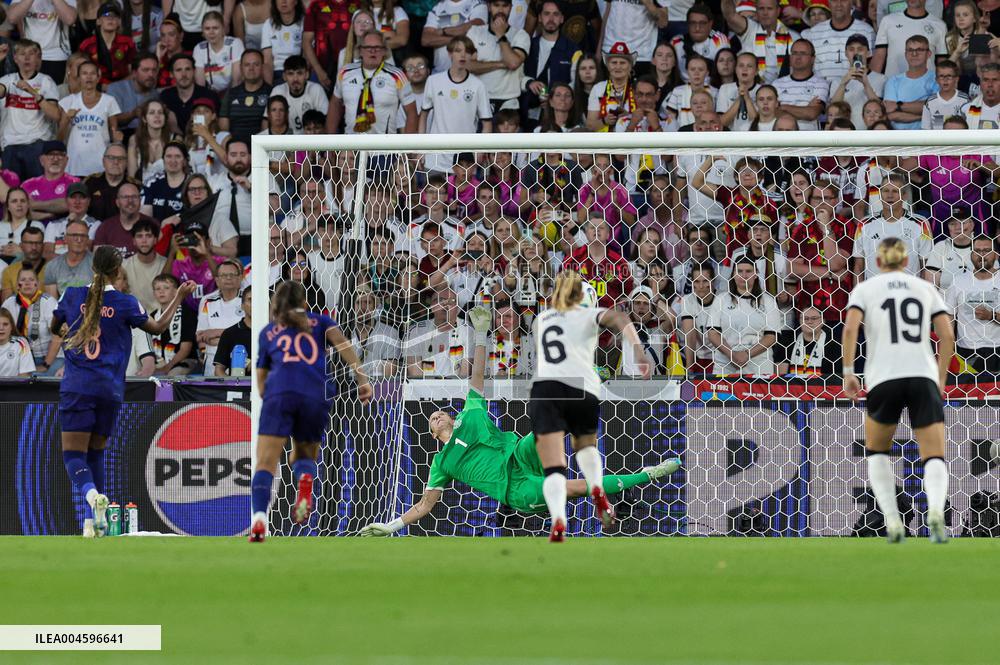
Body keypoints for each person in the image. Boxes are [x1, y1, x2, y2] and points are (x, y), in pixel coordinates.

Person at [359, 303, 678, 537]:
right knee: (574, 487)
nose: (437, 414)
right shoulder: (442, 462)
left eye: (440, 412)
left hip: (517, 454)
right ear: (432, 434)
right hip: (517, 488)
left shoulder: (470, 415)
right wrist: (390, 526)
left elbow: (478, 376)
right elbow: (424, 506)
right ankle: (645, 476)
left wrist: (482, 334)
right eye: (432, 417)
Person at [54, 245, 194, 537]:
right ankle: (95, 523)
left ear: (93, 267)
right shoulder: (126, 302)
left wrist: (68, 333)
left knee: (73, 456)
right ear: (119, 270)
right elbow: (157, 328)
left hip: (78, 387)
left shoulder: (72, 295)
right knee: (96, 454)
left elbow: (57, 326)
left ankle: (92, 497)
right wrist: (179, 297)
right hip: (109, 390)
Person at [841, 237, 954, 544]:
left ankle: (892, 520)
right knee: (934, 456)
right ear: (907, 262)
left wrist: (849, 373)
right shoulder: (925, 288)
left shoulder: (865, 289)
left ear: (877, 262)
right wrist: (940, 378)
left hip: (883, 378)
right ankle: (935, 513)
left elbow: (850, 328)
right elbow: (946, 335)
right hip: (921, 376)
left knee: (877, 452)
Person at [529, 271, 651, 541]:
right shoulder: (588, 315)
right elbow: (620, 317)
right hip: (581, 387)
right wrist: (639, 351)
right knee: (585, 446)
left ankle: (558, 520)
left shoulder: (542, 320)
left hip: (545, 388)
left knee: (553, 468)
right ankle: (597, 488)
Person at [250, 280, 372, 542]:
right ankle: (305, 477)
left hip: (280, 394)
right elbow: (344, 346)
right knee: (304, 456)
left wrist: (270, 399)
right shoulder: (321, 322)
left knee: (266, 463)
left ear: (276, 305)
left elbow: (260, 377)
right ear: (305, 303)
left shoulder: (268, 332)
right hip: (315, 396)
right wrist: (363, 380)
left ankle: (259, 520)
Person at [419, 37, 493, 173]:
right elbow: (423, 116)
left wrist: (479, 152)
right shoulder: (433, 81)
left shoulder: (478, 86)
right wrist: (421, 149)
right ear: (449, 53)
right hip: (435, 158)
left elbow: (487, 124)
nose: (463, 55)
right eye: (458, 51)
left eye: (467, 51)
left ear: (472, 55)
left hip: (465, 162)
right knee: (432, 194)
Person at [328, 31, 416, 135]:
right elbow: (335, 105)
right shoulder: (345, 72)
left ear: (384, 51)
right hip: (351, 145)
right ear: (360, 50)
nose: (372, 51)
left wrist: (409, 148)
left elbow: (412, 113)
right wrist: (330, 144)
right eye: (367, 47)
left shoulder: (397, 75)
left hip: (384, 146)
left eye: (377, 47)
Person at [706, 256, 783, 375]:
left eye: (748, 271)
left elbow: (771, 337)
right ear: (733, 274)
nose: (744, 275)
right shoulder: (721, 299)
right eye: (740, 271)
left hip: (759, 364)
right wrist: (732, 355)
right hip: (726, 363)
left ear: (756, 274)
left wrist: (746, 354)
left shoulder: (768, 301)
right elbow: (712, 333)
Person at [852, 171, 932, 281]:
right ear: (880, 194)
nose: (890, 195)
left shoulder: (920, 223)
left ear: (904, 195)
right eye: (886, 191)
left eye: (895, 191)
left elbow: (926, 265)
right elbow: (858, 266)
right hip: (875, 293)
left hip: (908, 293)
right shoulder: (864, 224)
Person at [0, 40, 62, 181]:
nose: (27, 58)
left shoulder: (47, 81)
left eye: (31, 54)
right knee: (10, 197)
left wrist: (33, 93)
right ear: (15, 59)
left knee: (36, 194)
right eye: (22, 54)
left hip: (37, 146)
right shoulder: (7, 80)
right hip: (10, 146)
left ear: (38, 57)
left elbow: (56, 115)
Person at [57, 60, 122, 178]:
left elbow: (114, 136)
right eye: (84, 73)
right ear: (79, 77)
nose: (89, 77)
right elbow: (59, 139)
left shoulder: (109, 101)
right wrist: (66, 119)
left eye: (92, 73)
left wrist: (118, 138)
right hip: (75, 164)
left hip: (100, 164)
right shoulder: (68, 101)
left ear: (98, 77)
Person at [945, 235, 1000, 372]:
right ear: (971, 255)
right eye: (977, 251)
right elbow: (949, 316)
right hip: (966, 351)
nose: (981, 255)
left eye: (986, 250)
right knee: (970, 392)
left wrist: (991, 315)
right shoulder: (959, 281)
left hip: (997, 348)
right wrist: (948, 347)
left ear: (996, 255)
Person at [1, 267, 59, 373]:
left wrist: (45, 365)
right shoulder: (9, 303)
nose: (27, 283)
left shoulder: (49, 302)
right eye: (23, 280)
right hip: (17, 356)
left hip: (47, 357)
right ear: (17, 284)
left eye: (31, 280)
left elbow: (57, 336)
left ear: (38, 283)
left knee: (40, 385)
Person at [802, 0, 875, 84]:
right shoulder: (814, 32)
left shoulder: (866, 30)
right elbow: (805, 67)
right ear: (829, 3)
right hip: (822, 92)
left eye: (844, 0)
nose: (839, 4)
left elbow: (873, 67)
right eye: (835, 0)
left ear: (851, 3)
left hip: (856, 93)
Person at [196, 257, 243, 372]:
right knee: (210, 390)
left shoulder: (248, 299)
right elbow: (200, 335)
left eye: (232, 274)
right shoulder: (207, 301)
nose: (228, 278)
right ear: (216, 280)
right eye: (224, 275)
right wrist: (231, 337)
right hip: (211, 360)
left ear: (240, 278)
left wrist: (215, 333)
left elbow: (248, 334)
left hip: (241, 359)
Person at [882, 35, 938, 130]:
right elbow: (891, 114)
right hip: (898, 139)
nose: (914, 54)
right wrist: (923, 116)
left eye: (919, 50)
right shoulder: (893, 81)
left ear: (929, 54)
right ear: (905, 54)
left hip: (928, 139)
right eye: (910, 50)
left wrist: (898, 105)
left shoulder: (938, 79)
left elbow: (936, 108)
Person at [148, 273, 198, 375]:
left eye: (166, 288)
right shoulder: (152, 316)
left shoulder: (187, 313)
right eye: (157, 289)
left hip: (185, 361)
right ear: (154, 293)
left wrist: (166, 368)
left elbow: (185, 349)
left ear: (176, 292)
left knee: (172, 376)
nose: (161, 291)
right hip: (160, 361)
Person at [773, 38, 828, 130]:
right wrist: (805, 109)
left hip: (809, 140)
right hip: (782, 139)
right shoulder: (776, 84)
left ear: (812, 59)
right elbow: (773, 113)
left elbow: (811, 114)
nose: (798, 57)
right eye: (794, 53)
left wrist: (783, 107)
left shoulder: (821, 84)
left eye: (803, 53)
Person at [219, 49, 271, 142]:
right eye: (247, 65)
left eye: (256, 64)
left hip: (261, 147)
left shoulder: (272, 93)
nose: (251, 68)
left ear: (262, 67)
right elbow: (224, 130)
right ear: (241, 68)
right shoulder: (231, 94)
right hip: (235, 150)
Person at [79, 2, 137, 85]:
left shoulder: (128, 42)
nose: (110, 18)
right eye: (106, 15)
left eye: (114, 16)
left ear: (119, 22)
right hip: (95, 87)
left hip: (122, 87)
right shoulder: (87, 45)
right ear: (98, 21)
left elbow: (133, 72)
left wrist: (117, 87)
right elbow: (83, 73)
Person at [93, 182, 157, 256]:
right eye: (125, 197)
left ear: (140, 200)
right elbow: (98, 262)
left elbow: (160, 260)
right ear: (117, 202)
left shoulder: (153, 225)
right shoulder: (105, 227)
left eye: (134, 197)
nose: (130, 201)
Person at [270, 55, 329, 133]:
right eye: (290, 74)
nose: (295, 79)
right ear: (284, 76)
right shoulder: (277, 91)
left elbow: (326, 123)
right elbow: (267, 120)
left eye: (299, 73)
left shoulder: (316, 89)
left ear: (307, 74)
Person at [23, 140, 79, 223]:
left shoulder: (75, 183)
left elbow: (70, 204)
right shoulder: (28, 184)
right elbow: (20, 210)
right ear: (42, 160)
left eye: (60, 155)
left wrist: (33, 204)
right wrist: (49, 214)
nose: (55, 159)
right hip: (32, 231)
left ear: (66, 160)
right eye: (51, 154)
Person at [83, 143, 142, 221]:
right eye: (111, 158)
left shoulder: (135, 186)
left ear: (126, 163)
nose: (116, 162)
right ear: (103, 161)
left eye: (120, 158)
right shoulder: (90, 182)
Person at [121, 218, 167, 311]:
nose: (144, 240)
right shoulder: (124, 266)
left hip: (162, 320)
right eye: (139, 236)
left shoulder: (166, 264)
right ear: (134, 241)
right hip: (134, 321)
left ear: (155, 240)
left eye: (148, 236)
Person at [193, 10, 244, 93]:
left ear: (223, 29)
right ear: (202, 31)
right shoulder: (199, 49)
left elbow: (237, 81)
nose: (211, 32)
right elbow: (200, 84)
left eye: (215, 28)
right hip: (210, 93)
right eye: (207, 28)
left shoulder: (235, 44)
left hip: (233, 92)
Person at [44, 219, 93, 297]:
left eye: (83, 236)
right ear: (65, 238)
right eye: (74, 235)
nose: (79, 240)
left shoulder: (99, 265)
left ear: (87, 239)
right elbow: (52, 303)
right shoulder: (52, 266)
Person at [213, 285, 251, 376]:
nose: (255, 303)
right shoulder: (229, 333)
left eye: (259, 300)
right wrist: (233, 386)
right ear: (242, 306)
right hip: (239, 389)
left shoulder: (273, 332)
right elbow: (219, 370)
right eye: (250, 300)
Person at [1, 226, 47, 301]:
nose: (34, 247)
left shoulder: (52, 269)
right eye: (29, 243)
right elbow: (7, 306)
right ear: (21, 245)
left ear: (43, 245)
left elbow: (53, 303)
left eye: (38, 243)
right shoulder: (9, 271)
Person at [0, 308, 35, 377]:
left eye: (5, 324)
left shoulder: (21, 343)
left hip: (13, 387)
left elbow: (24, 375)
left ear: (11, 327)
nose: (1, 328)